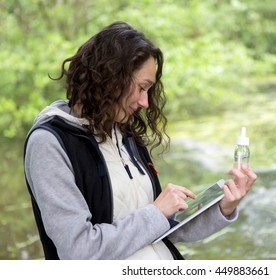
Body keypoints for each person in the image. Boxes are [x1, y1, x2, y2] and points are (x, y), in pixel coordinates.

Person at [23, 21, 257, 260]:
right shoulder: (49, 144)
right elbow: (79, 251)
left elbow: (159, 229)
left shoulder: (123, 131)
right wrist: (156, 212)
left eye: (149, 90)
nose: (146, 103)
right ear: (111, 79)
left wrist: (222, 207)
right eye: (141, 88)